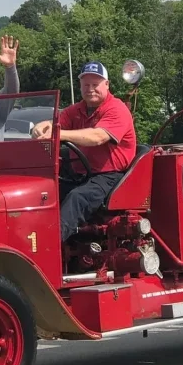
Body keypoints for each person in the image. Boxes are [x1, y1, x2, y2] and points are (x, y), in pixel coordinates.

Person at [31, 62, 137, 241]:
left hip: (111, 176)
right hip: (81, 174)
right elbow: (54, 124)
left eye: (95, 84)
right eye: (86, 85)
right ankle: (29, 234)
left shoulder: (117, 109)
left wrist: (59, 134)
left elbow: (97, 137)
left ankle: (50, 243)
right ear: (80, 87)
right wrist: (41, 127)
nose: (90, 89)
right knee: (43, 190)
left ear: (107, 85)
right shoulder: (76, 110)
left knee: (77, 198)